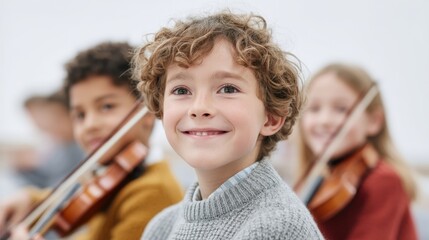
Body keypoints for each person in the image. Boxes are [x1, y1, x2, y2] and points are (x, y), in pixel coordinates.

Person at [132, 11, 324, 239]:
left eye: (228, 89)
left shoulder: (276, 227)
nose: (199, 107)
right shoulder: (162, 227)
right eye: (181, 90)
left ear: (271, 117)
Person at [0, 42, 184, 240]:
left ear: (147, 112)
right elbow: (75, 199)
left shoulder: (151, 192)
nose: (90, 124)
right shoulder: (112, 175)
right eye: (80, 115)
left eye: (106, 106)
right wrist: (30, 199)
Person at [295, 63, 418, 239]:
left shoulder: (383, 181)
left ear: (374, 121)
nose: (324, 120)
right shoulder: (319, 175)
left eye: (341, 109)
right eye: (314, 109)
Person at [11, 90, 84, 189]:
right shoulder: (61, 147)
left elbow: (59, 184)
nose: (52, 124)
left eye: (57, 118)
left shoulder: (80, 146)